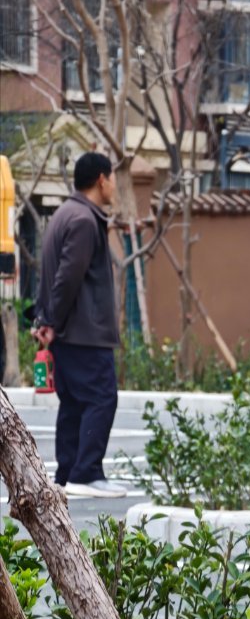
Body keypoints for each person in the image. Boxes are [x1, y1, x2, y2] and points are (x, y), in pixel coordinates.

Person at [33, 150, 126, 498]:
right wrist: (52, 320)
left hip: (67, 332)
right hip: (84, 333)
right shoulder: (85, 220)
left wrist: (46, 320)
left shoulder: (63, 214)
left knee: (74, 403)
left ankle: (68, 473)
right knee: (102, 398)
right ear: (101, 179)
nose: (115, 185)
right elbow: (67, 278)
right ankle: (86, 473)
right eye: (113, 178)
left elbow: (53, 276)